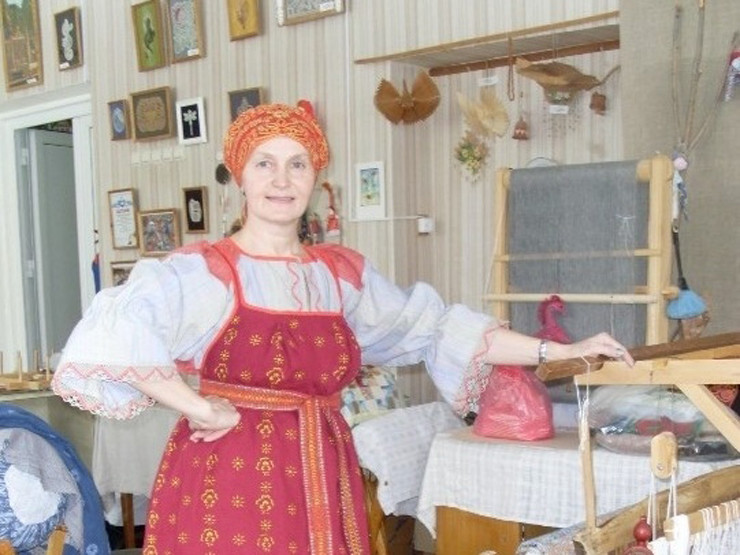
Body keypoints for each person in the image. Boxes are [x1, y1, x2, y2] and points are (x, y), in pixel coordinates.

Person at [52, 103, 633, 554]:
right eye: (265, 163)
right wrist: (198, 407)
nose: (282, 179)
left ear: (314, 177)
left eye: (297, 164)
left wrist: (559, 349)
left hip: (321, 466)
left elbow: (436, 327)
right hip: (229, 473)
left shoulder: (339, 276)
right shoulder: (205, 272)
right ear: (240, 177)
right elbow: (113, 330)